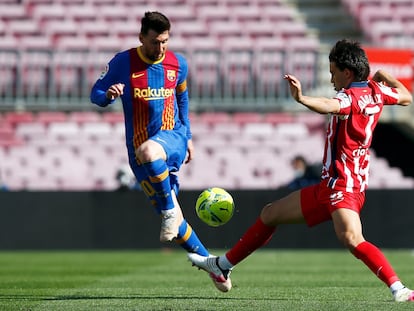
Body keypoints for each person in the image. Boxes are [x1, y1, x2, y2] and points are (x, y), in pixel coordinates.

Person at [188, 39, 414, 301]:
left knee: (352, 238)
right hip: (330, 187)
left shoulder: (349, 97)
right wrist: (384, 75)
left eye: (333, 72)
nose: (331, 79)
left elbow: (329, 105)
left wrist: (301, 98)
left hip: (343, 187)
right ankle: (222, 266)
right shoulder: (377, 91)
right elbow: (406, 97)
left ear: (347, 73)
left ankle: (399, 289)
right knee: (270, 214)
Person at [90, 11, 210, 258]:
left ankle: (167, 211)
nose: (161, 47)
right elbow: (96, 93)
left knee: (150, 154)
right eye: (155, 41)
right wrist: (109, 95)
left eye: (165, 41)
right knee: (176, 221)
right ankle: (212, 264)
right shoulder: (122, 63)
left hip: (172, 135)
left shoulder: (178, 64)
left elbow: (182, 98)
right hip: (138, 151)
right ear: (141, 38)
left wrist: (187, 136)